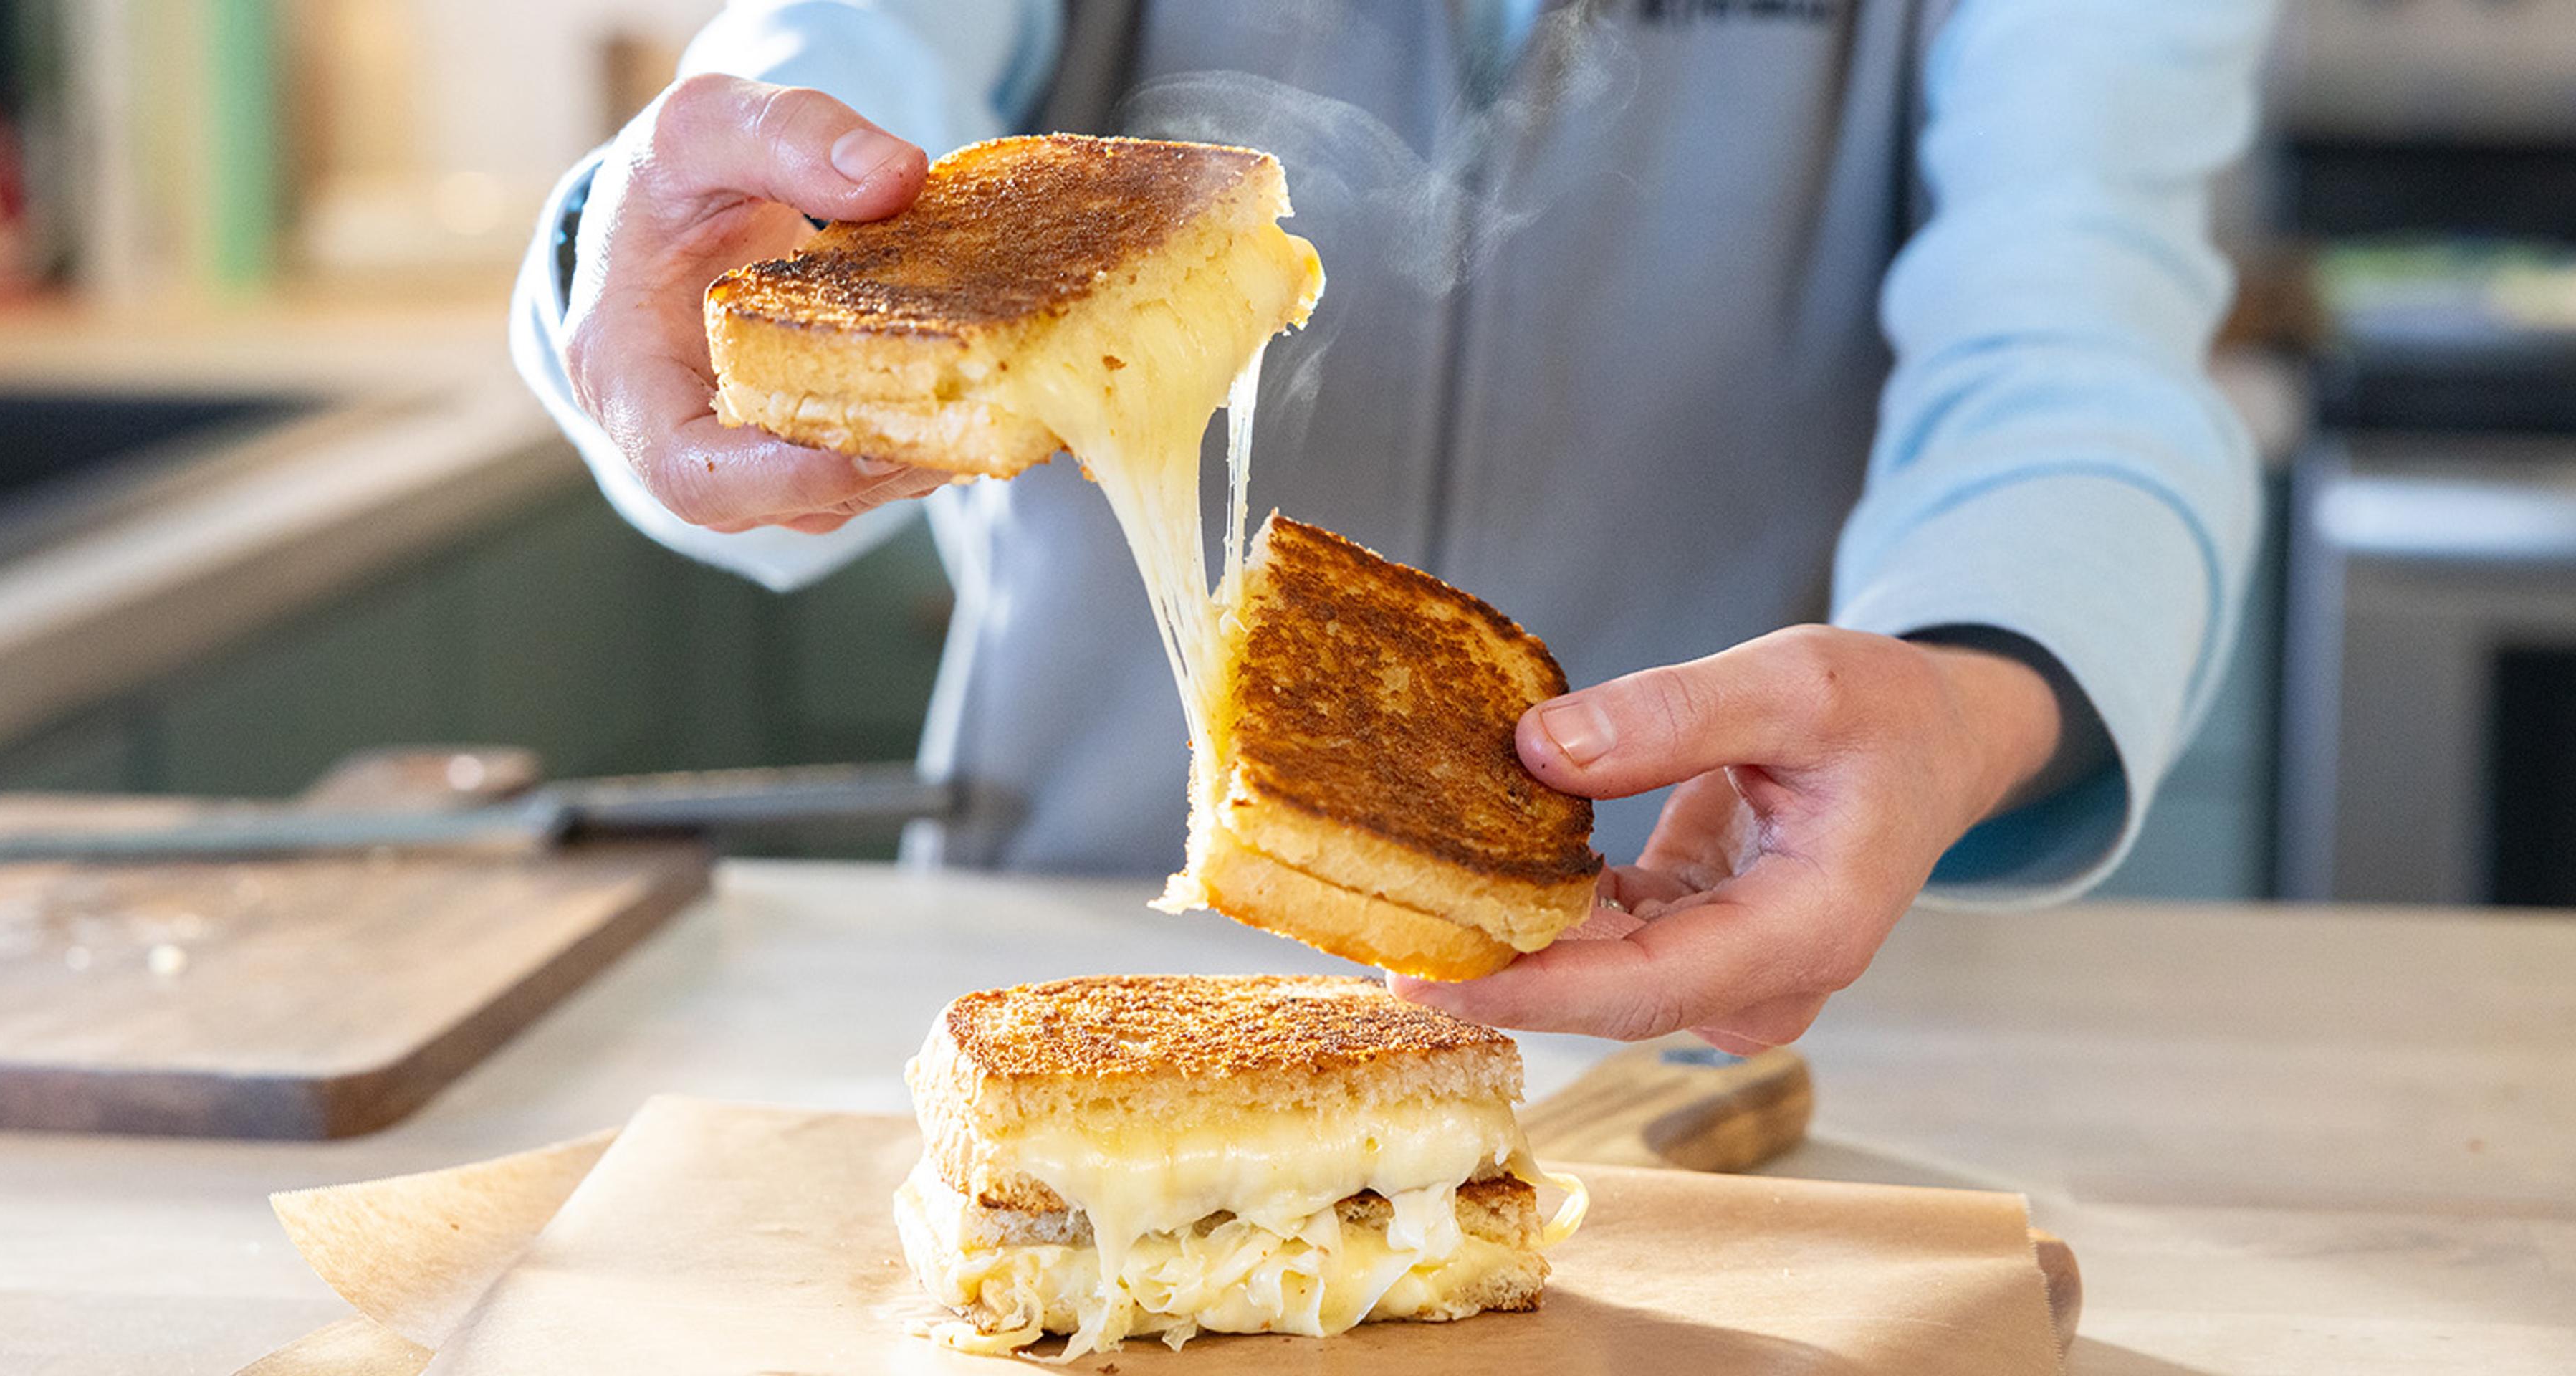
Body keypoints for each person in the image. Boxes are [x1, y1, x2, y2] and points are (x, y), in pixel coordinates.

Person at [512, 0, 2275, 1052]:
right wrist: (683, 237)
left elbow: (2075, 330)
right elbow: (847, 50)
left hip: (1721, 972)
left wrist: (1968, 690)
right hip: (1057, 944)